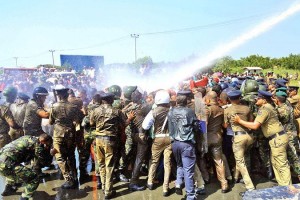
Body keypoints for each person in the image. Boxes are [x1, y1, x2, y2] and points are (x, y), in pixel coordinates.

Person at [233, 90, 291, 186]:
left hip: (277, 139)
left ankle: (288, 190)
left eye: (259, 98)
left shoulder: (264, 109)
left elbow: (255, 126)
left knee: (281, 165)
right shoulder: (268, 107)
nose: (256, 99)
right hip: (278, 138)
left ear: (264, 100)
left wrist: (239, 121)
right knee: (276, 163)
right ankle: (283, 187)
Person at [90, 92, 133, 199]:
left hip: (98, 139)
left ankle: (104, 187)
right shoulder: (116, 111)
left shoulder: (95, 110)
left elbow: (91, 123)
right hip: (110, 140)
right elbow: (124, 124)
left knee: (101, 164)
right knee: (109, 165)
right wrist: (130, 118)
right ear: (111, 100)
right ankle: (108, 191)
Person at [0, 134, 53, 200]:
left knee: (12, 173)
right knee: (34, 179)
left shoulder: (28, 137)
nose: (47, 146)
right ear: (43, 141)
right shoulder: (38, 145)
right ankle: (25, 198)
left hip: (2, 162)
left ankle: (9, 189)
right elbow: (43, 162)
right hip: (7, 164)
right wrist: (51, 153)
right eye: (47, 144)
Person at [49, 86, 83, 189]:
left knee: (60, 157)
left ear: (58, 95)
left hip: (58, 134)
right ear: (67, 94)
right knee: (71, 155)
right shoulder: (73, 107)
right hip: (70, 134)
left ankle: (68, 180)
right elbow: (78, 122)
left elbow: (51, 122)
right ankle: (75, 176)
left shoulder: (54, 106)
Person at [168, 90, 199, 200]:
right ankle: (190, 195)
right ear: (186, 102)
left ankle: (178, 184)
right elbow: (196, 126)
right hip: (186, 144)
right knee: (188, 170)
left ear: (176, 102)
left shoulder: (171, 112)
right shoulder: (189, 111)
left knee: (180, 165)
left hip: (175, 143)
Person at [142, 90, 172, 196]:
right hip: (170, 138)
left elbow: (145, 126)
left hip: (158, 139)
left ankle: (150, 182)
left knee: (154, 161)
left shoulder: (154, 111)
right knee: (167, 164)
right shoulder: (172, 110)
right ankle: (165, 188)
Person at [223, 90, 255, 191]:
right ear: (239, 97)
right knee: (242, 157)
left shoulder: (227, 110)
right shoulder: (247, 108)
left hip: (238, 137)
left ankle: (249, 185)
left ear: (229, 99)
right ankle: (236, 177)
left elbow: (225, 125)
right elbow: (251, 122)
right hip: (249, 137)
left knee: (240, 160)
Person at [204, 91, 229, 193]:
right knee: (219, 161)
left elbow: (203, 125)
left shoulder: (207, 110)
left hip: (206, 138)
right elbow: (225, 125)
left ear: (208, 99)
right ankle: (224, 183)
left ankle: (206, 178)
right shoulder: (221, 110)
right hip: (217, 137)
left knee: (202, 158)